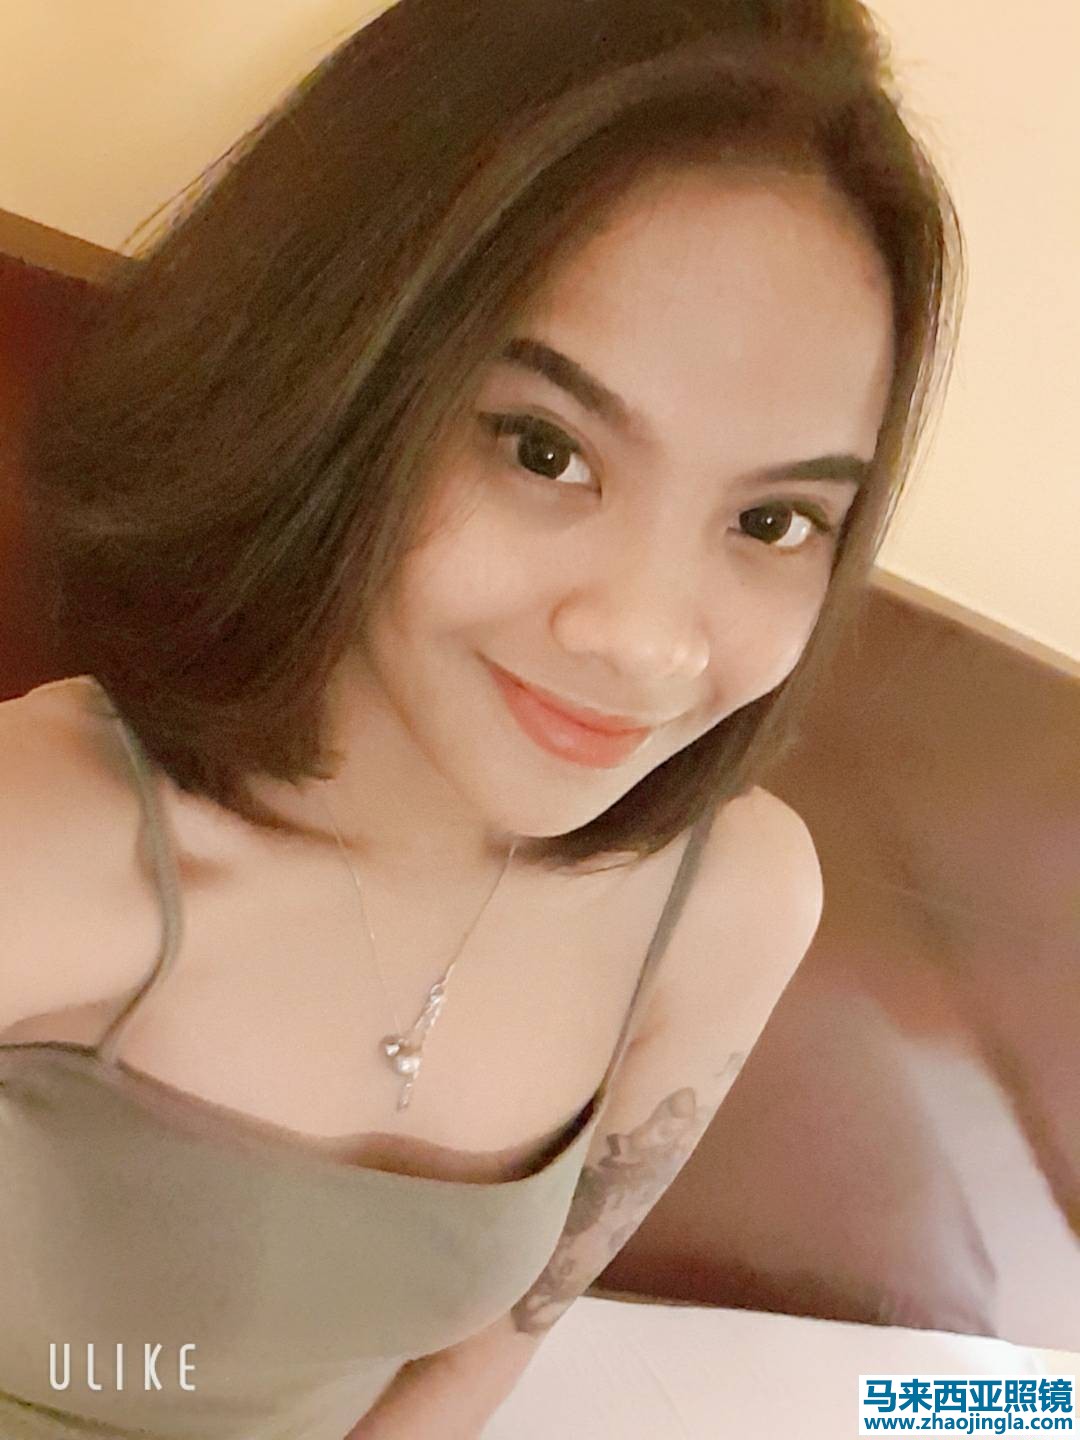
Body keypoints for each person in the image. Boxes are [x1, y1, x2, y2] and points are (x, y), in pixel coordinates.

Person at [0, 0, 961, 1435]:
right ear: (334, 381)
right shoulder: (50, 842)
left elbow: (497, 1341)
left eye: (771, 519)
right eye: (544, 449)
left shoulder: (728, 901)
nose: (648, 641)